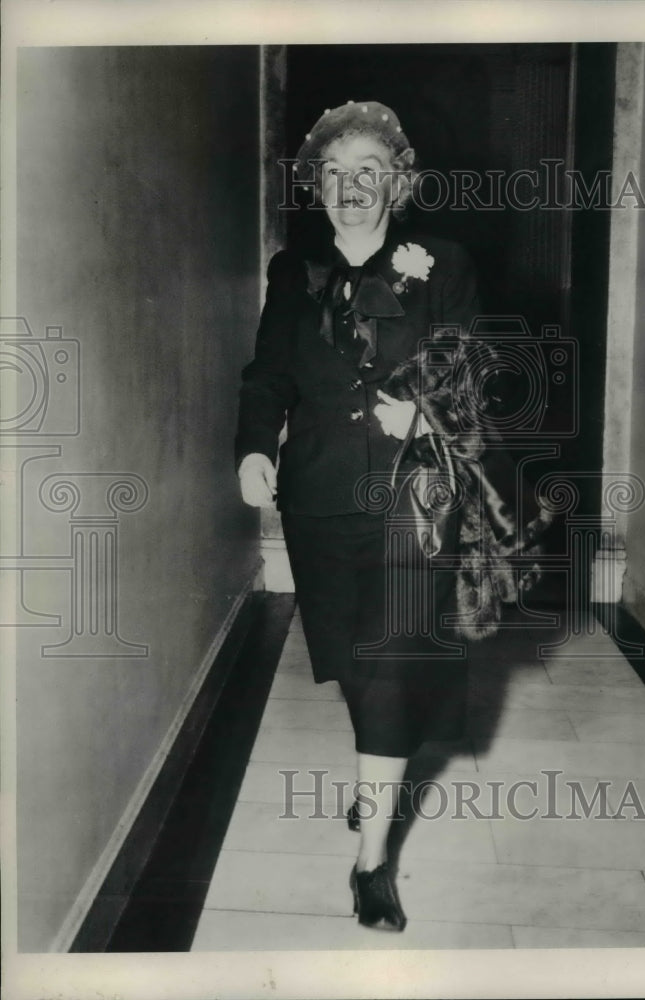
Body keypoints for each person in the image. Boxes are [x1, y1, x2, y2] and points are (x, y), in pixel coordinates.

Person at [235, 100, 508, 932]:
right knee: (351, 657)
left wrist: (422, 412)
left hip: (411, 493)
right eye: (333, 171)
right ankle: (377, 778)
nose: (350, 186)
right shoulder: (292, 270)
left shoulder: (443, 263)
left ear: (397, 182)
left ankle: (371, 863)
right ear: (316, 185)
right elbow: (268, 374)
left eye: (368, 171)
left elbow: (472, 368)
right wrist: (253, 447)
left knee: (390, 659)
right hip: (317, 493)